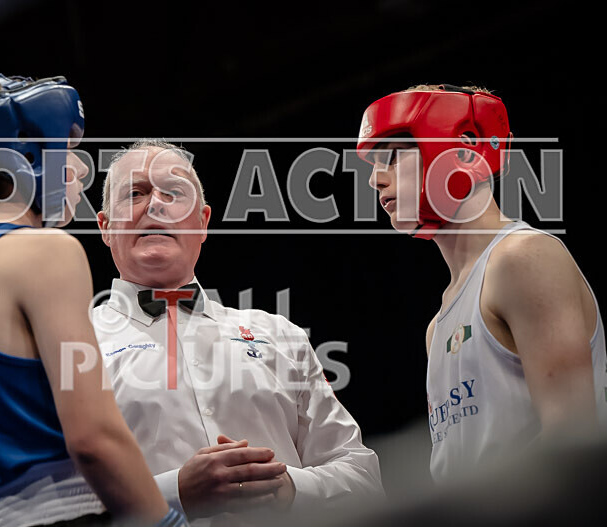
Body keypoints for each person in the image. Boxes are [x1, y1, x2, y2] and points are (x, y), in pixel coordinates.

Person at [0, 75, 185, 527]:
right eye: (68, 148)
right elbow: (94, 438)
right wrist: (163, 521)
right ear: (25, 152)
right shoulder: (45, 252)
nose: (79, 169)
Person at [91, 139, 384, 525]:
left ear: (202, 223)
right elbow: (40, 506)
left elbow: (363, 478)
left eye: (174, 193)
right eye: (136, 193)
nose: (156, 205)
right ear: (105, 227)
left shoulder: (281, 335)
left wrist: (291, 489)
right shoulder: (70, 345)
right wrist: (173, 494)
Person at [356, 84, 607, 481]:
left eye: (391, 156)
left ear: (463, 149)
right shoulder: (437, 326)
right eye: (371, 164)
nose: (374, 180)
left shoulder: (523, 258)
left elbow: (572, 442)